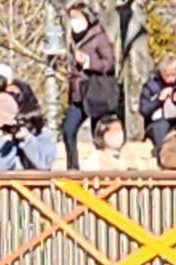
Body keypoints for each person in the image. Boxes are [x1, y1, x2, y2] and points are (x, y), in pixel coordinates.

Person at [63, 5, 118, 169]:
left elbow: (109, 64)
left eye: (77, 17)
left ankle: (103, 168)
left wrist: (88, 62)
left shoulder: (99, 37)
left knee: (98, 134)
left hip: (96, 92)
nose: (74, 22)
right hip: (78, 93)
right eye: (71, 18)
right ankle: (72, 167)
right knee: (68, 130)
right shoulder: (71, 39)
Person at [0, 90, 58, 170]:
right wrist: (8, 142)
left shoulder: (44, 135)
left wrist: (27, 139)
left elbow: (44, 164)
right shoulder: (12, 138)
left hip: (38, 178)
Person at [137, 53, 176, 152]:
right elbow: (144, 110)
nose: (170, 79)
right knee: (161, 126)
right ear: (161, 72)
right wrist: (159, 100)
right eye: (167, 75)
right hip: (157, 124)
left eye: (173, 75)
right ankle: (162, 152)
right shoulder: (151, 85)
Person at [84, 113, 156, 170]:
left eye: (121, 130)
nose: (119, 133)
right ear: (103, 134)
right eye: (115, 130)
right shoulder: (97, 157)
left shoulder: (129, 155)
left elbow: (142, 170)